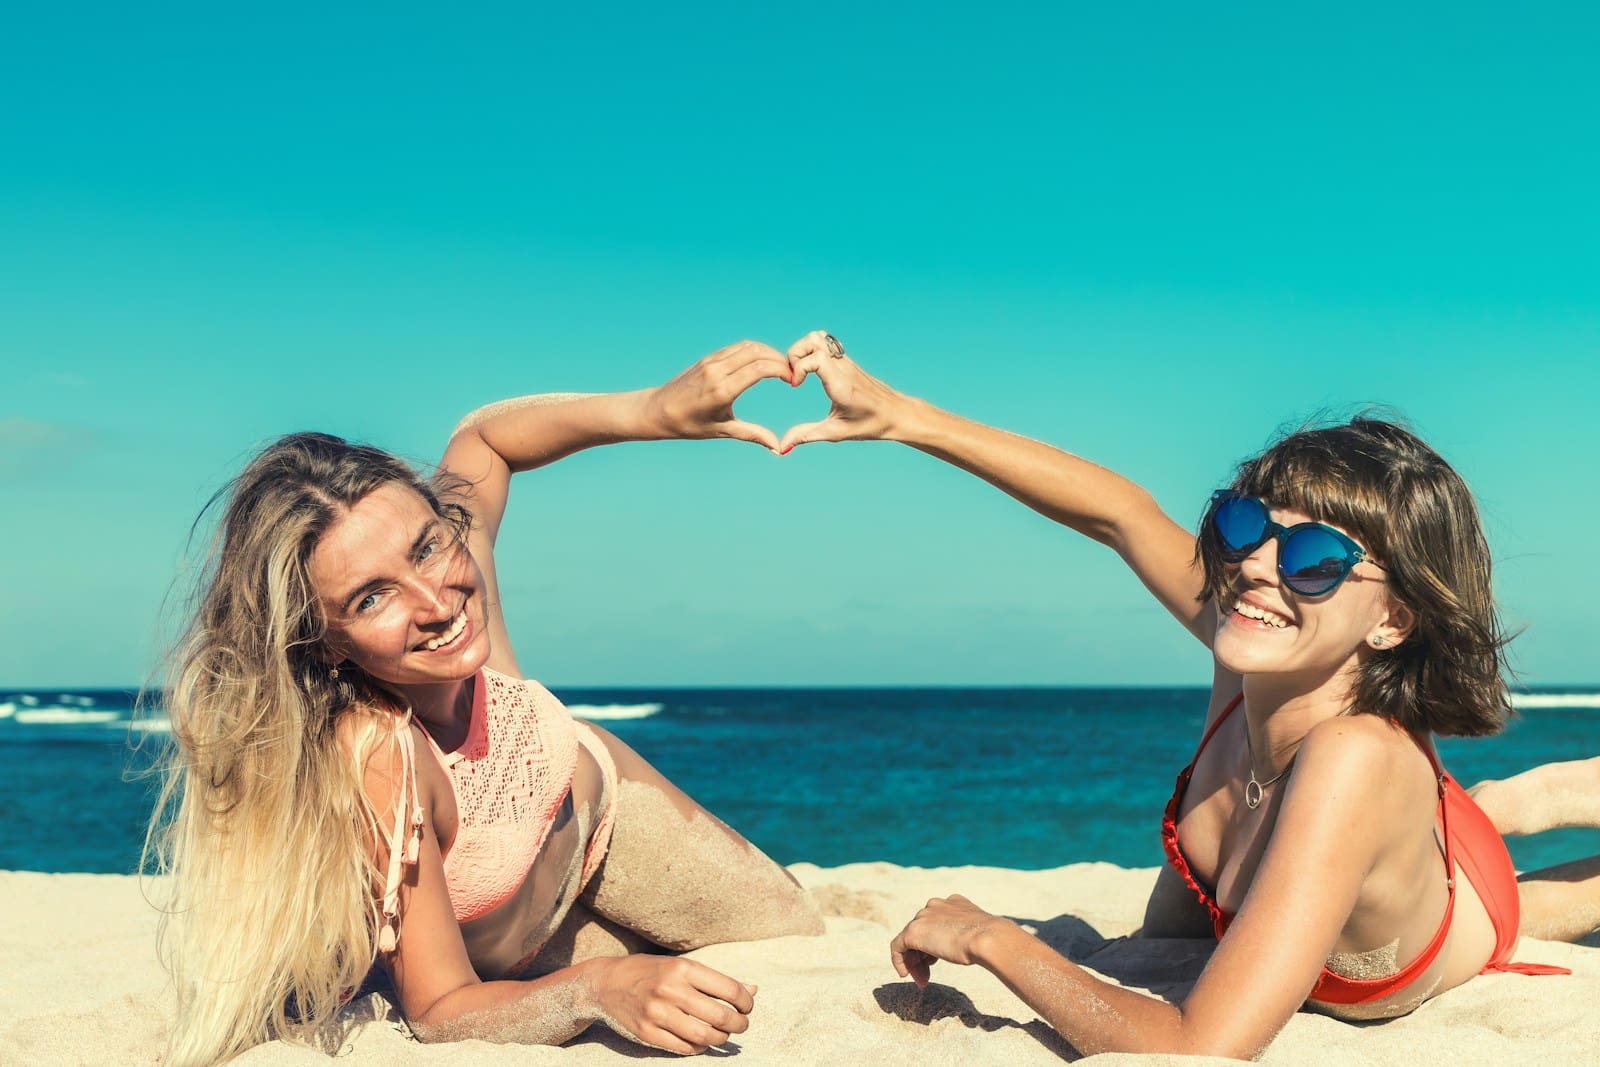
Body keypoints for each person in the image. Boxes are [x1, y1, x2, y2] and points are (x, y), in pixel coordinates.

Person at [777, 330, 1589, 1059]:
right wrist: (900, 416)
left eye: (1314, 557)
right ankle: (1524, 795)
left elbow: (1199, 1046)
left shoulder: (1352, 755)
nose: (1260, 566)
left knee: (1528, 905)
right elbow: (1120, 514)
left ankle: (1550, 789)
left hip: (1447, 905)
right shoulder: (1257, 652)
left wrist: (994, 937)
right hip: (1398, 836)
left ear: (1392, 617)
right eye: (1246, 527)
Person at [145, 341, 823, 1066]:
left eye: (428, 547)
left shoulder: (464, 612)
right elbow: (439, 1010)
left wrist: (654, 408)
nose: (437, 602)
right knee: (705, 986)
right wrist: (595, 988)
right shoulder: (380, 751)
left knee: (797, 937)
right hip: (540, 941)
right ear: (325, 643)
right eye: (372, 597)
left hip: (609, 813)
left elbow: (484, 437)